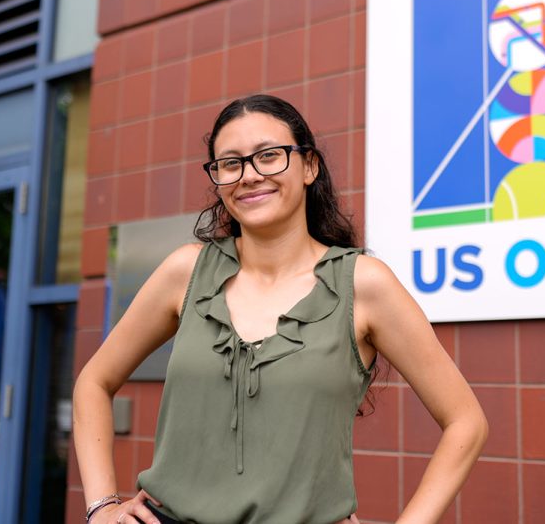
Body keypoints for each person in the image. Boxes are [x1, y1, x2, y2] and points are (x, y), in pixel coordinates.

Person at [73, 94, 488, 524]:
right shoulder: (185, 271)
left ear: (309, 166)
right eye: (230, 163)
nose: (249, 176)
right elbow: (94, 381)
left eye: (269, 156)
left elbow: (466, 422)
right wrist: (102, 507)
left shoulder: (364, 284)